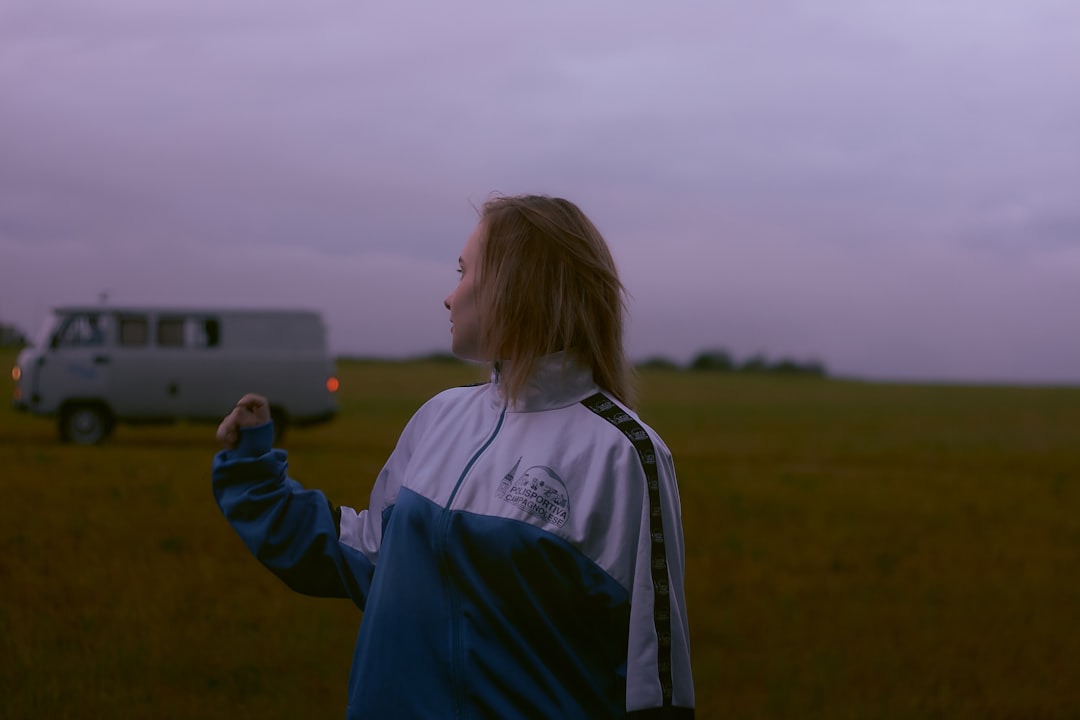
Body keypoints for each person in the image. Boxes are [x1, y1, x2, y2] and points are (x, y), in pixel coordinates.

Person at [212, 194, 695, 718]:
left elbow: (654, 681)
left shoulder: (621, 455)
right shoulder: (440, 416)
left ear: (517, 284)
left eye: (463, 272)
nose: (449, 296)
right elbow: (365, 558)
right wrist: (255, 473)